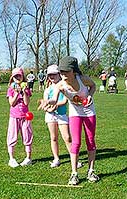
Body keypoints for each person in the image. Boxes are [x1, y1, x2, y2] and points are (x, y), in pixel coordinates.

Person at [42, 56, 99, 185]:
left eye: (66, 71)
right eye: (61, 72)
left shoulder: (83, 79)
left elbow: (93, 86)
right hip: (75, 113)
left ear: (73, 71)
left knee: (90, 141)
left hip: (89, 112)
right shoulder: (60, 85)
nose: (63, 75)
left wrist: (89, 95)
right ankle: (74, 173)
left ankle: (91, 171)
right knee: (76, 142)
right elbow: (54, 99)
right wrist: (47, 101)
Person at [41, 64, 74, 168]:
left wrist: (54, 106)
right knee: (53, 137)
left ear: (59, 74)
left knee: (67, 138)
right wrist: (47, 108)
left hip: (61, 115)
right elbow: (45, 103)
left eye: (54, 74)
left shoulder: (64, 86)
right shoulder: (47, 89)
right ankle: (56, 159)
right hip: (50, 116)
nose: (52, 77)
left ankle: (74, 159)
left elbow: (64, 101)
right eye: (50, 75)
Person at [6, 67, 33, 168]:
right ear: (12, 78)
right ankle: (11, 159)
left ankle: (28, 158)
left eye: (19, 75)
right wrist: (17, 93)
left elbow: (26, 102)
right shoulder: (10, 89)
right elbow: (12, 103)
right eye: (15, 76)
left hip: (25, 117)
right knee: (12, 137)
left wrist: (25, 92)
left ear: (22, 77)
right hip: (14, 117)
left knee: (27, 136)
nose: (17, 77)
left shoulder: (26, 88)